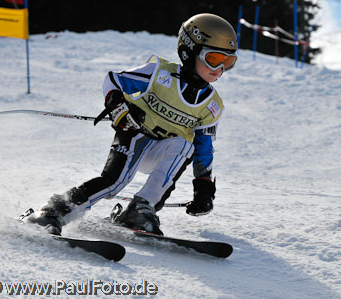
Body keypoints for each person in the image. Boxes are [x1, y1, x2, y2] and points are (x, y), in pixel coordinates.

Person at [20, 13, 238, 236]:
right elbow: (113, 80)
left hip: (160, 151)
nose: (219, 68)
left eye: (228, 62)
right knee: (115, 182)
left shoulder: (212, 105)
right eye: (213, 59)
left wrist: (203, 186)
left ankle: (140, 210)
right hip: (133, 134)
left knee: (185, 146)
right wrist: (118, 107)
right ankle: (52, 211)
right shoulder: (159, 73)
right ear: (189, 51)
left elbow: (204, 147)